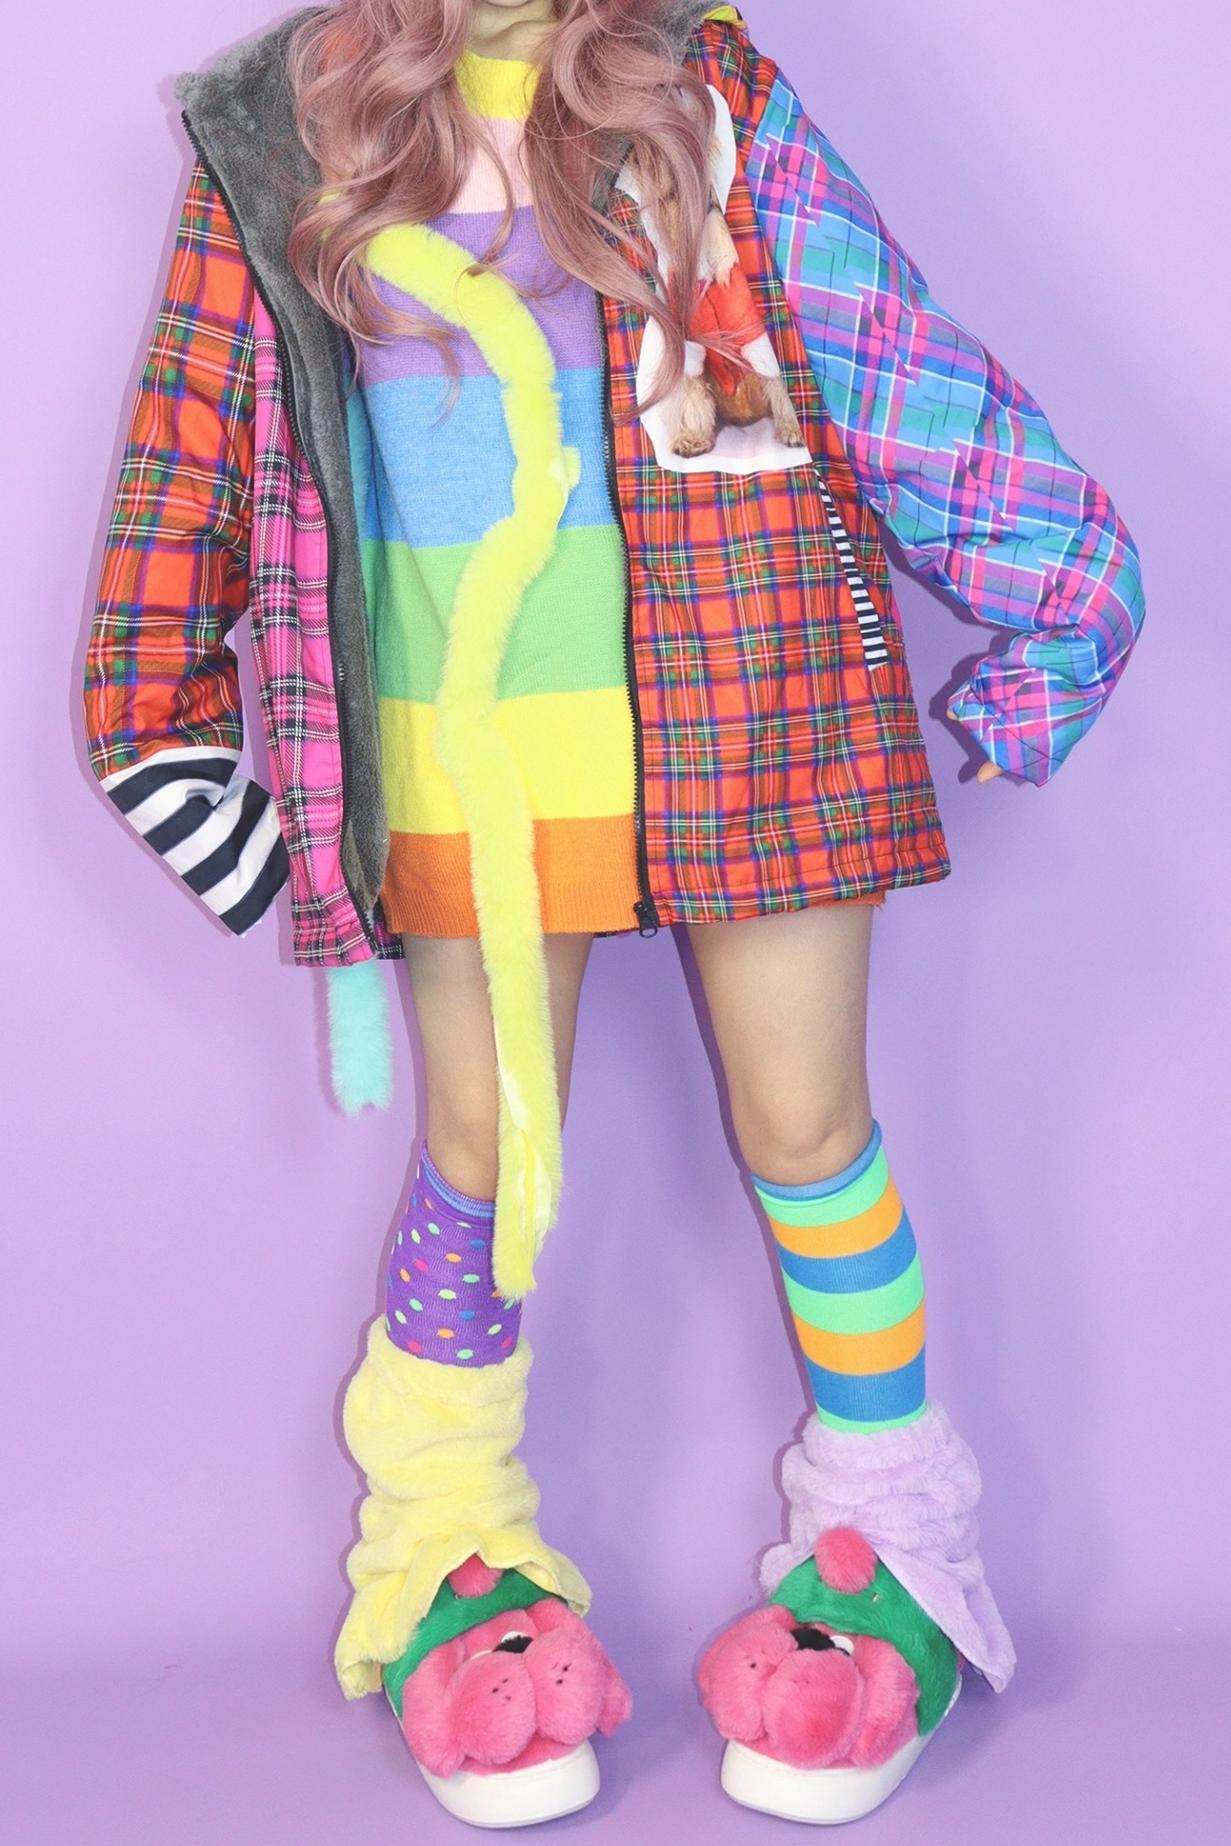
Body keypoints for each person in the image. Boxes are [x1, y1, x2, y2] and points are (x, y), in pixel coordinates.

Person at [82, 0, 1145, 1826]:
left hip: (754, 698)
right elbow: (195, 442)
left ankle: (893, 1538)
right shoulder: (286, 125)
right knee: (483, 1149)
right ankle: (449, 1543)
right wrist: (159, 726)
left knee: (811, 1131)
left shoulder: (705, 86)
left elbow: (887, 353)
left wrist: (1066, 592)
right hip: (461, 749)